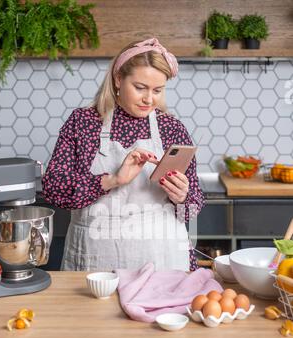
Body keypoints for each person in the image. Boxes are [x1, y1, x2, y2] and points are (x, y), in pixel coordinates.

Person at [42, 37, 205, 272]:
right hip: (96, 263)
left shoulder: (172, 128)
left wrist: (183, 197)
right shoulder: (83, 123)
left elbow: (192, 207)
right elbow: (54, 189)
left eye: (157, 90)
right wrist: (112, 180)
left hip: (162, 260)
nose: (149, 99)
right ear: (118, 79)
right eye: (140, 88)